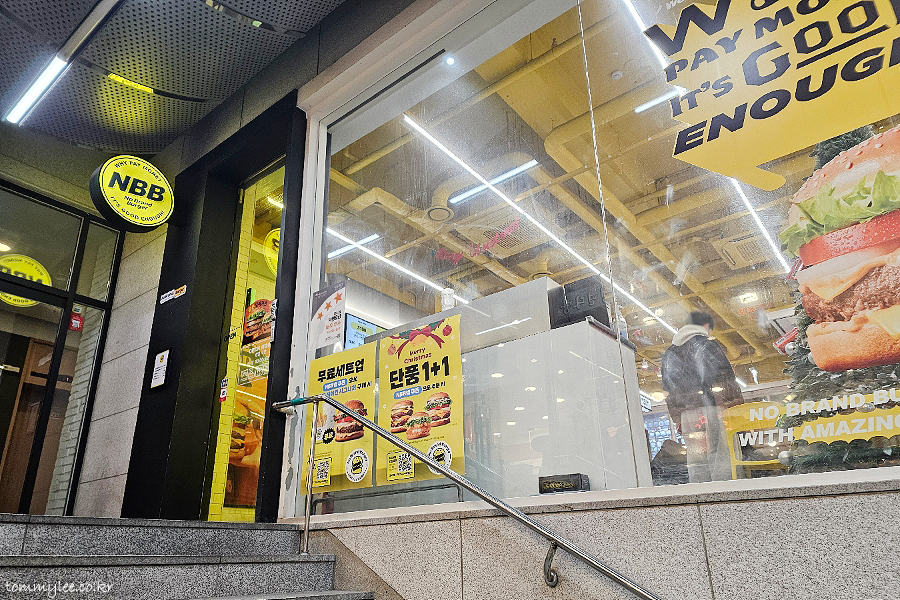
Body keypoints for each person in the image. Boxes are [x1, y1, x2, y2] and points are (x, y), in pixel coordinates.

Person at [661, 312, 743, 483]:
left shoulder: (669, 354)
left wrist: (678, 418)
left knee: (696, 459)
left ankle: (700, 493)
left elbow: (668, 389)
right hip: (714, 408)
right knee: (722, 454)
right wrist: (735, 407)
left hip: (688, 415)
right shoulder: (706, 345)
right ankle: (726, 493)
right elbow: (723, 377)